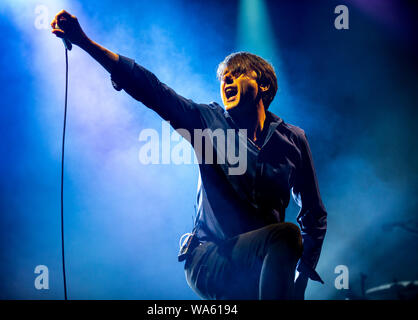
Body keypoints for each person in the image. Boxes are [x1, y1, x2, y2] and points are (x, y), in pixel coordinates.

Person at [51, 10, 327, 300]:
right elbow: (154, 91)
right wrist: (83, 41)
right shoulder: (207, 120)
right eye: (224, 78)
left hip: (257, 265)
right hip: (210, 258)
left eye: (237, 74)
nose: (227, 81)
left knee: (283, 239)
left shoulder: (293, 140)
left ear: (264, 85)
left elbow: (314, 214)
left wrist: (303, 275)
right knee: (285, 235)